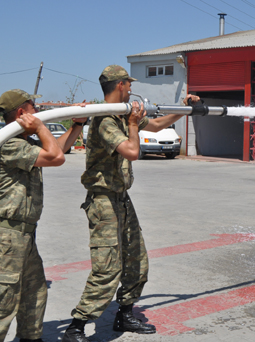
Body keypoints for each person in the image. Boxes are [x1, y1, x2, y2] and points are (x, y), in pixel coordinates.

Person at [62, 65, 199, 342]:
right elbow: (132, 152)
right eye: (128, 83)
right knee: (107, 267)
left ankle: (124, 314)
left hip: (122, 198)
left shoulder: (123, 114)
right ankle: (76, 327)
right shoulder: (106, 120)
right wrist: (134, 124)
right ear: (120, 85)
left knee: (137, 260)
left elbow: (159, 124)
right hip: (103, 201)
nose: (131, 88)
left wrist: (183, 108)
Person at [0, 89, 86, 342]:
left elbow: (57, 148)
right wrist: (39, 127)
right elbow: (56, 157)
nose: (38, 112)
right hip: (5, 238)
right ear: (22, 113)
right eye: (33, 108)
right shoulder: (9, 144)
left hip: (23, 237)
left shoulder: (23, 142)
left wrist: (77, 125)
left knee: (34, 296)